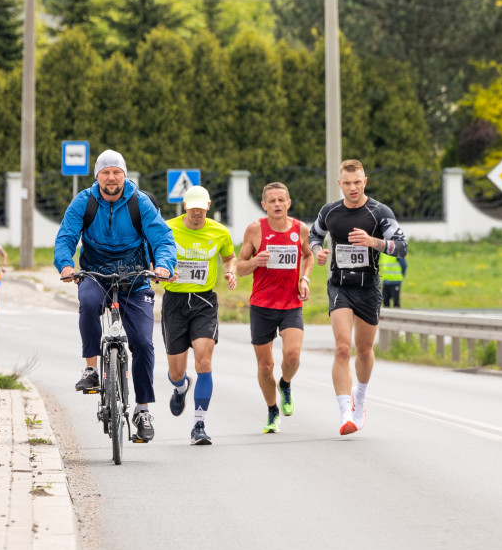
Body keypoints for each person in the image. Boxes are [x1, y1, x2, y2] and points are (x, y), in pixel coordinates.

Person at [54, 149, 176, 443]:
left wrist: (163, 265)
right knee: (89, 304)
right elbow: (66, 237)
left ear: (124, 175)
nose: (111, 177)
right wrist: (67, 265)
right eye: (105, 172)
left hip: (134, 277)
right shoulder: (84, 202)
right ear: (97, 176)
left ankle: (143, 410)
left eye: (116, 172)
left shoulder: (139, 202)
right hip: (96, 273)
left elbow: (163, 239)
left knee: (144, 344)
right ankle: (91, 369)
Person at [309, 159, 408, 435]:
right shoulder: (330, 212)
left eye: (357, 182)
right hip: (340, 287)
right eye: (347, 183)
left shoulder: (379, 213)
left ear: (365, 181)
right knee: (342, 348)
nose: (352, 188)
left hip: (369, 290)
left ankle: (360, 398)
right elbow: (313, 235)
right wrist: (317, 251)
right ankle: (344, 414)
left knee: (364, 350)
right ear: (339, 184)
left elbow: (402, 247)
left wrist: (373, 242)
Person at [236, 181, 315, 434]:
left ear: (289, 203)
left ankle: (286, 384)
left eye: (281, 200)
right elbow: (239, 266)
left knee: (292, 356)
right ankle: (272, 410)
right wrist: (255, 261)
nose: (277, 204)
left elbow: (308, 255)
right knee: (265, 366)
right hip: (262, 304)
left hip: (291, 303)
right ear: (264, 205)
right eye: (272, 201)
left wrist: (304, 278)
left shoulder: (300, 229)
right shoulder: (255, 230)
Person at [162, 185, 237, 446]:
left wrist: (231, 271)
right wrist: (162, 270)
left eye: (200, 208)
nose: (196, 212)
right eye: (192, 207)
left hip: (204, 301)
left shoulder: (219, 232)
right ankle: (181, 386)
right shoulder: (167, 228)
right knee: (175, 372)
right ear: (185, 207)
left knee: (204, 361)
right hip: (174, 302)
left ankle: (199, 424)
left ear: (207, 206)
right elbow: (152, 257)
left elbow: (229, 257)